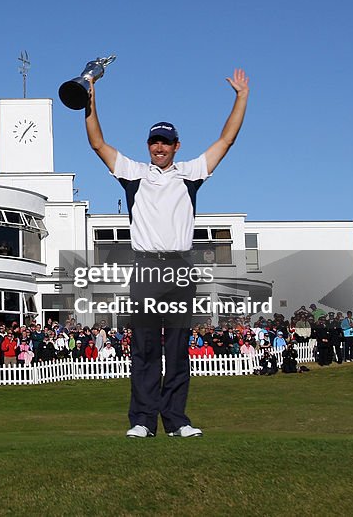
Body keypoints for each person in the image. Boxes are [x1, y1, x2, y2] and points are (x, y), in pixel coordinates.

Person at [85, 68, 249, 439]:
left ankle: (176, 420)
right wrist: (89, 96)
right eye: (154, 142)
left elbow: (226, 140)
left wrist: (240, 97)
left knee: (176, 348)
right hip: (145, 268)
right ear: (148, 145)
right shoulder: (133, 172)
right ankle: (143, 420)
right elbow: (98, 143)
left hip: (179, 268)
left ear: (176, 146)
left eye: (165, 142)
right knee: (144, 348)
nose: (159, 148)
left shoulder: (190, 173)